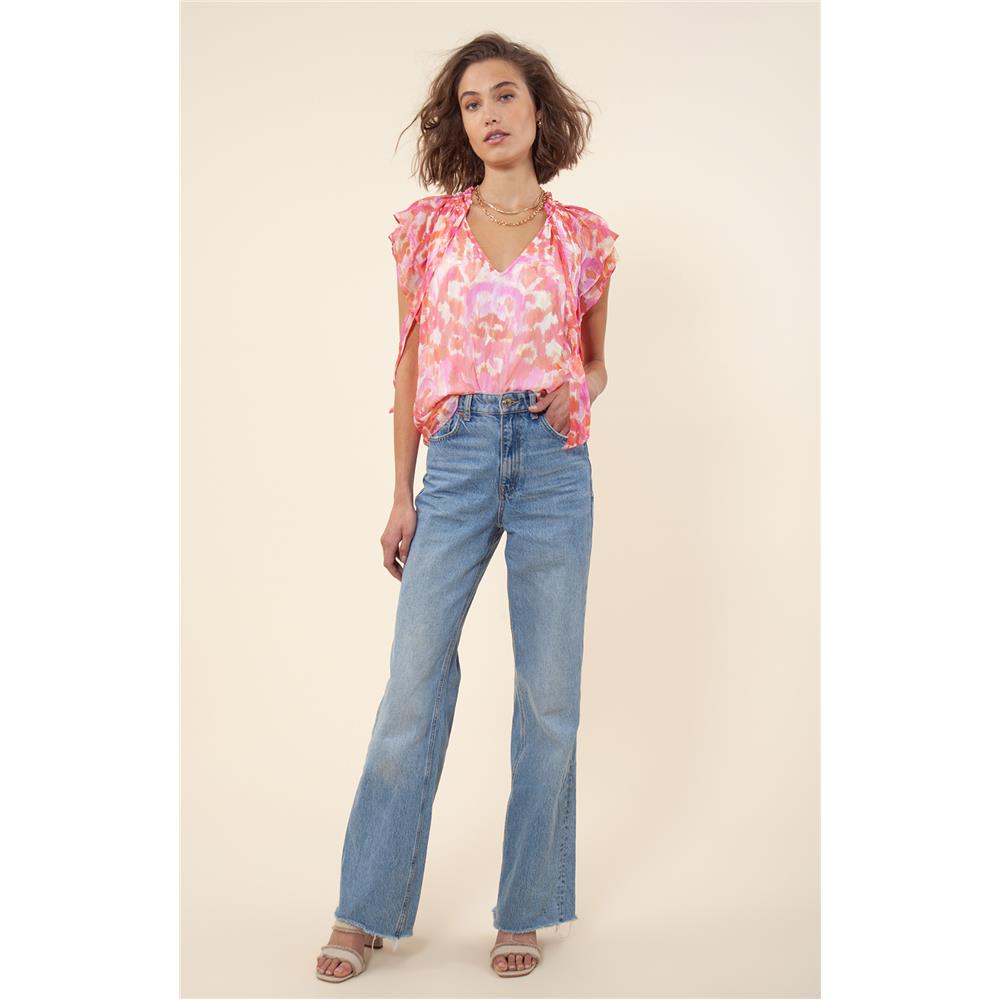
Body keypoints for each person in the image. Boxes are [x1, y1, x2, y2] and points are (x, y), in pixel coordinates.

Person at [316, 31, 618, 983]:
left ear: (539, 110)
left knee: (549, 698)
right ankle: (365, 910)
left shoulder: (586, 238)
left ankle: (525, 908)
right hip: (452, 460)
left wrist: (578, 393)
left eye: (504, 95)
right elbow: (408, 364)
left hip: (553, 465)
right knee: (411, 688)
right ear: (459, 125)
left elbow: (596, 362)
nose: (488, 115)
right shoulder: (427, 230)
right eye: (471, 103)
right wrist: (400, 492)